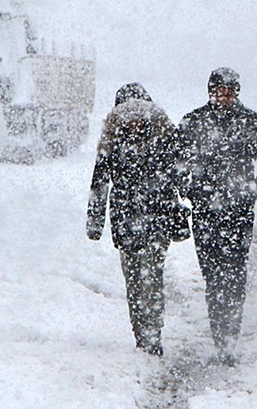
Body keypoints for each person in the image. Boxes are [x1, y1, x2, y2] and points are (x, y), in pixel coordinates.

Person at [176, 67, 257, 364]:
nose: (224, 97)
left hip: (239, 212)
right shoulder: (193, 121)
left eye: (229, 92)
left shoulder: (251, 121)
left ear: (237, 93)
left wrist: (252, 191)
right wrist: (189, 189)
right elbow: (176, 161)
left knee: (235, 274)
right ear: (210, 91)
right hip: (205, 212)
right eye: (218, 91)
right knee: (212, 275)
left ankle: (230, 337)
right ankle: (218, 333)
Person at [87, 82, 186, 357]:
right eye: (128, 114)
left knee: (151, 276)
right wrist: (94, 222)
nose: (134, 119)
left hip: (157, 218)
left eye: (139, 113)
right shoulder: (111, 142)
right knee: (133, 281)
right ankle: (141, 334)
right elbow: (99, 183)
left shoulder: (164, 137)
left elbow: (181, 173)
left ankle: (152, 334)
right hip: (125, 220)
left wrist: (193, 196)